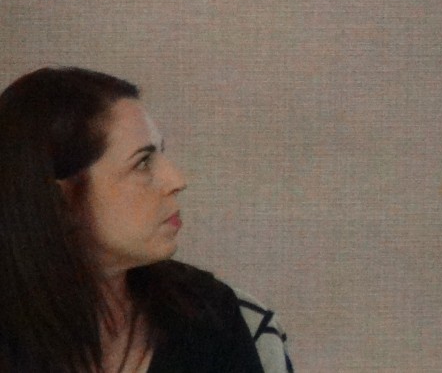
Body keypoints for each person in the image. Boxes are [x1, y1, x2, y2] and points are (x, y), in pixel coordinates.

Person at [0, 66, 292, 373]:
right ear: (61, 201)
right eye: (142, 162)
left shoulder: (216, 318)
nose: (176, 180)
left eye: (160, 155)